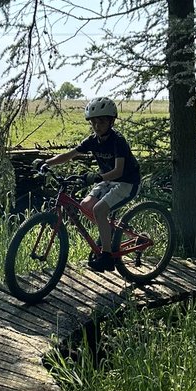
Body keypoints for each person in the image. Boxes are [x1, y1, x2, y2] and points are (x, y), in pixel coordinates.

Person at [41, 96, 141, 272]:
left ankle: (107, 258)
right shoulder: (93, 140)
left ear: (111, 121)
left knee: (99, 210)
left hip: (127, 182)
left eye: (101, 121)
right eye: (93, 122)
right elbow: (69, 155)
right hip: (108, 180)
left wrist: (96, 177)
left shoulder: (118, 141)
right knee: (86, 206)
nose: (97, 126)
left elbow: (118, 171)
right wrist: (47, 163)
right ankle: (109, 234)